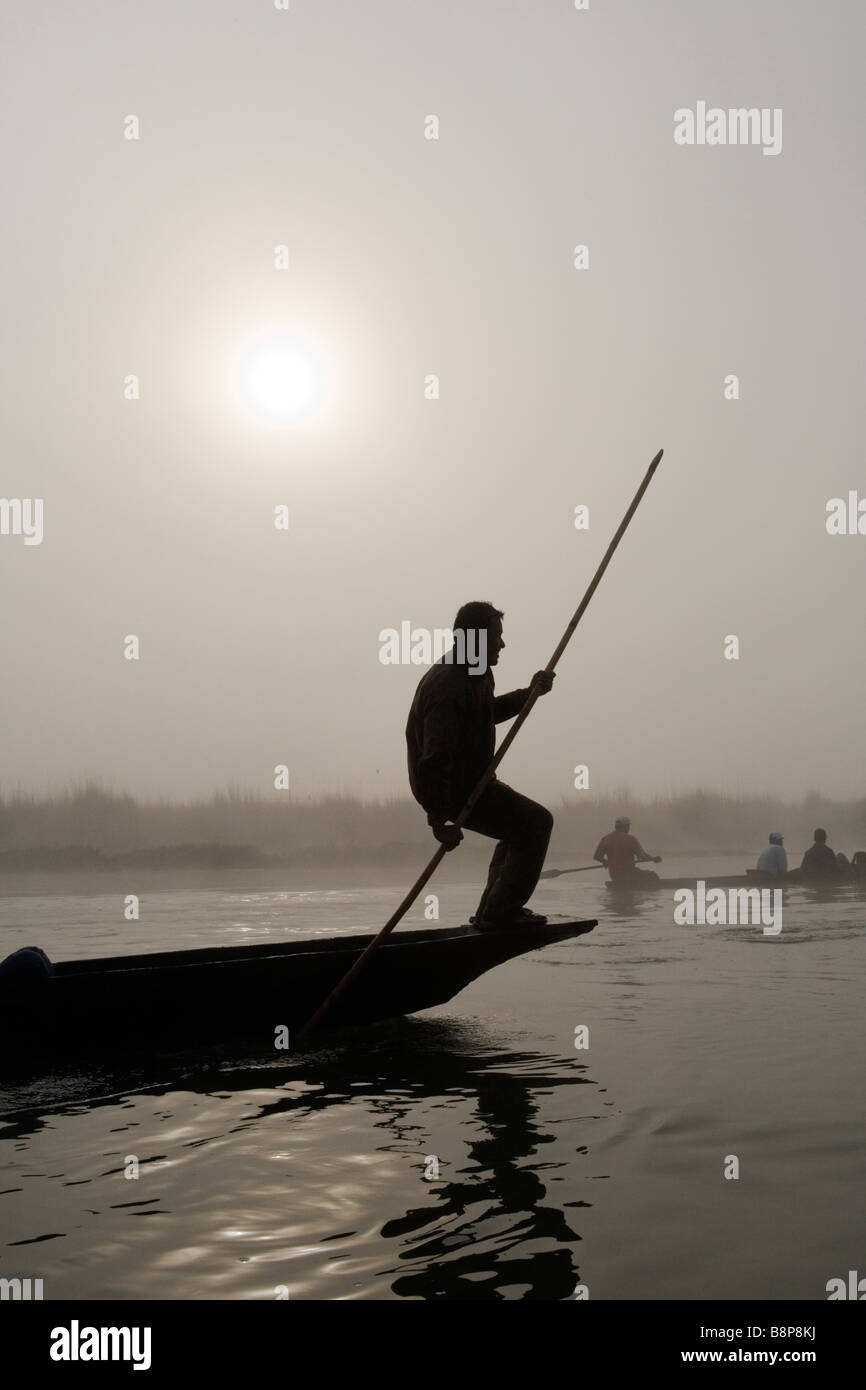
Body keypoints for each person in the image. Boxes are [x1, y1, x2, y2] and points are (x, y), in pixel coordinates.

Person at [406, 601, 555, 929]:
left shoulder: (478, 674)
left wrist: (528, 694)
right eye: (495, 636)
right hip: (451, 789)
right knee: (535, 823)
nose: (502, 644)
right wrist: (437, 817)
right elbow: (435, 757)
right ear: (472, 639)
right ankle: (499, 912)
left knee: (521, 827)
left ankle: (493, 911)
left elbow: (485, 714)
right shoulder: (447, 684)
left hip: (472, 781)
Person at [593, 816, 662, 885]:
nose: (629, 828)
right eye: (628, 826)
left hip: (614, 876)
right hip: (630, 874)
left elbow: (597, 856)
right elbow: (642, 856)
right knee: (652, 875)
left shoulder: (605, 839)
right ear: (624, 827)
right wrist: (654, 859)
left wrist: (605, 861)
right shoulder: (631, 839)